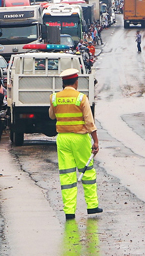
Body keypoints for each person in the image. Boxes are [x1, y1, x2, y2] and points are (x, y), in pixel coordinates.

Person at [49, 69, 101, 220]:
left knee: (67, 175)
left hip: (63, 139)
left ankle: (69, 211)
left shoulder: (54, 98)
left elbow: (52, 115)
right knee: (87, 171)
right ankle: (92, 206)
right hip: (80, 138)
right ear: (76, 82)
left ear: (63, 83)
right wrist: (95, 140)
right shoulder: (81, 98)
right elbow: (89, 122)